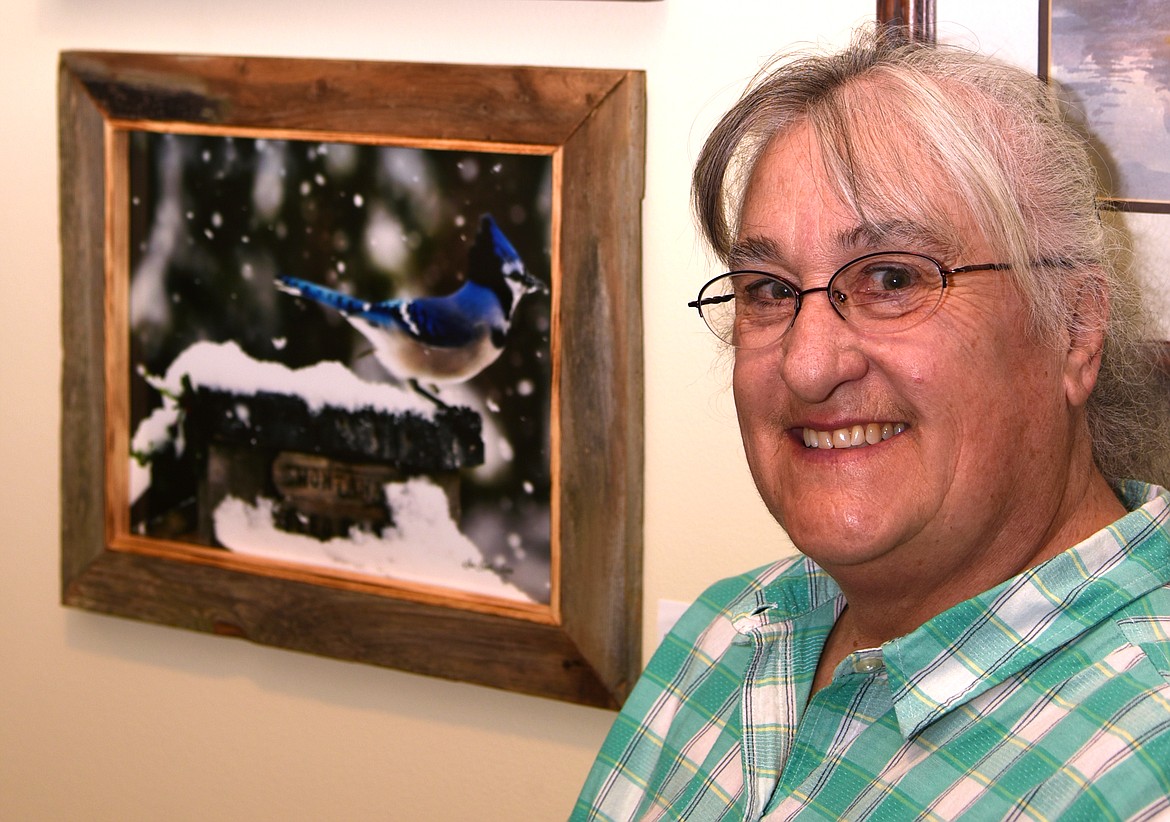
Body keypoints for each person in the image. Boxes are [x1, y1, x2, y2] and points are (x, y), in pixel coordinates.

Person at [572, 26, 1170, 821]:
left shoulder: (1141, 761)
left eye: (892, 278)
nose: (807, 364)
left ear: (1075, 328)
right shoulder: (728, 635)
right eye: (769, 290)